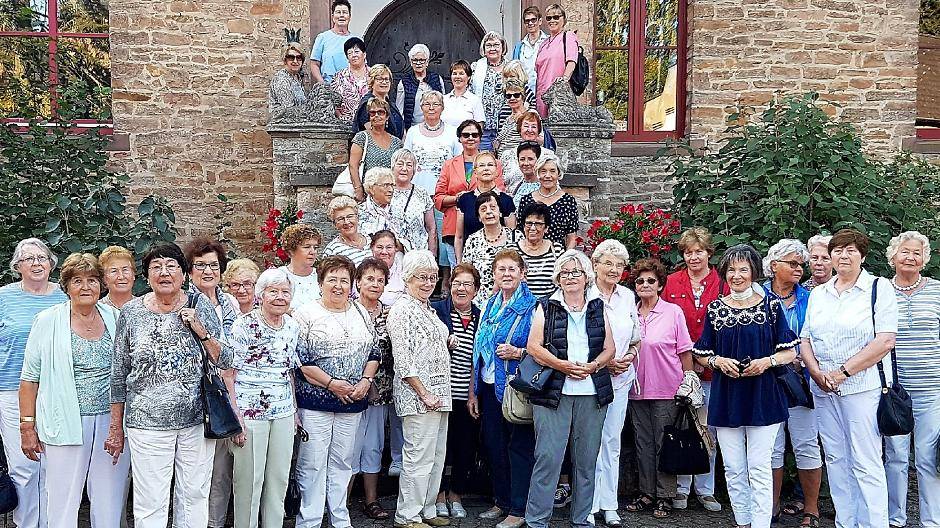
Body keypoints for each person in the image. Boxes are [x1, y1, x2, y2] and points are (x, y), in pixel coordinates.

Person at [107, 243, 231, 528]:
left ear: (184, 274)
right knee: (151, 500)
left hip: (197, 421)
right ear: (147, 277)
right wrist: (116, 427)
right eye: (156, 267)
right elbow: (119, 372)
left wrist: (200, 330)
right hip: (146, 423)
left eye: (171, 266)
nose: (164, 273)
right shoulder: (131, 312)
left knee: (194, 495)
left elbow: (226, 359)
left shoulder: (200, 305)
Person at [19, 253, 129, 528]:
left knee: (110, 501)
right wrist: (27, 428)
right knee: (62, 501)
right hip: (64, 422)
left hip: (112, 423)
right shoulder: (47, 320)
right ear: (66, 286)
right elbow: (29, 379)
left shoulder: (116, 317)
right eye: (77, 281)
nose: (86, 287)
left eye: (92, 280)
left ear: (101, 285)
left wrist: (120, 424)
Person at [693, 244, 799, 528]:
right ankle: (743, 521)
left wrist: (766, 361)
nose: (737, 275)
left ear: (753, 271)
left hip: (764, 394)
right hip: (727, 395)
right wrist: (717, 361)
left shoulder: (771, 306)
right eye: (731, 269)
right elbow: (700, 353)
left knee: (760, 467)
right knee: (734, 467)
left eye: (743, 269)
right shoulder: (715, 309)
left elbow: (790, 351)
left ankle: (761, 524)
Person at [799, 229, 897, 528]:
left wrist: (842, 373)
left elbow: (884, 342)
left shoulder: (879, 288)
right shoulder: (819, 293)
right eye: (838, 250)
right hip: (824, 389)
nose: (843, 255)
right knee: (837, 460)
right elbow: (805, 339)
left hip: (862, 388)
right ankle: (846, 522)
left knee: (866, 462)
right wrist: (816, 372)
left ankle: (875, 523)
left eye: (851, 250)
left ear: (863, 255)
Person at [523, 249, 614, 528]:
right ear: (558, 278)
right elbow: (533, 347)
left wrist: (593, 365)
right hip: (554, 393)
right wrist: (562, 365)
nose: (571, 277)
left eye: (576, 272)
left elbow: (610, 348)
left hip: (592, 392)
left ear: (586, 276)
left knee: (586, 461)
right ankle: (537, 521)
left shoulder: (598, 306)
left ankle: (581, 520)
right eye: (565, 272)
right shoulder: (545, 306)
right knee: (548, 458)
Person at [293, 256, 380, 528]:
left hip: (353, 401)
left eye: (344, 280)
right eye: (332, 279)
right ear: (320, 283)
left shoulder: (360, 312)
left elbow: (374, 351)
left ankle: (340, 518)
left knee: (343, 462)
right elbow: (301, 361)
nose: (338, 286)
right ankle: (310, 520)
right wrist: (332, 384)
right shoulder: (305, 314)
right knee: (313, 463)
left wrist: (366, 380)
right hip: (316, 402)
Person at [0, 238, 68, 527]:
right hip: (11, 389)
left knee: (55, 466)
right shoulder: (3, 297)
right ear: (18, 267)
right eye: (29, 259)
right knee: (23, 466)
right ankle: (27, 524)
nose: (37, 263)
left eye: (42, 258)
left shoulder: (65, 297)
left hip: (55, 391)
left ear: (51, 264)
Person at [227, 268, 300, 528]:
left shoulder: (292, 326)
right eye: (273, 291)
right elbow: (228, 374)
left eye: (285, 292)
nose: (280, 297)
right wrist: (236, 418)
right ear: (261, 295)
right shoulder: (244, 325)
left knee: (278, 481)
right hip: (250, 414)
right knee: (248, 483)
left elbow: (288, 371)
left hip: (282, 411)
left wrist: (294, 413)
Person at [470, 250, 537, 528]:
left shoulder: (532, 307)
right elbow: (477, 349)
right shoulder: (488, 305)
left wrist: (518, 352)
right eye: (501, 270)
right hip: (488, 386)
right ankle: (502, 501)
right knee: (494, 446)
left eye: (512, 269)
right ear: (494, 275)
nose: (506, 274)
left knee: (518, 447)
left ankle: (519, 509)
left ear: (522, 273)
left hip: (515, 387)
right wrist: (473, 391)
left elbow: (540, 350)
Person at [661, 226, 725, 512]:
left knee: (707, 429)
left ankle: (706, 489)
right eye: (688, 252)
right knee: (684, 427)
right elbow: (665, 323)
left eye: (699, 251)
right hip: (680, 370)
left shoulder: (722, 283)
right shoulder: (672, 282)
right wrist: (689, 363)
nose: (694, 257)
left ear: (709, 253)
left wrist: (704, 360)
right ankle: (682, 488)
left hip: (713, 369)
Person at [387, 250, 452, 528]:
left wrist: (447, 343)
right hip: (418, 396)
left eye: (432, 278)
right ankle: (407, 515)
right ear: (407, 278)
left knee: (436, 455)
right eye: (421, 278)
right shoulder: (403, 309)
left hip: (440, 392)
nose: (428, 283)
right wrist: (423, 392)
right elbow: (403, 361)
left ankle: (426, 509)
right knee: (417, 457)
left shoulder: (427, 308)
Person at [624, 258, 693, 519]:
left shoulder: (673, 312)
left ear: (660, 284)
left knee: (665, 444)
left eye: (651, 280)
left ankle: (665, 495)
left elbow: (684, 351)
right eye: (640, 281)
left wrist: (689, 381)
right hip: (636, 389)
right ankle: (646, 492)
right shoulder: (628, 311)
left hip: (667, 387)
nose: (645, 284)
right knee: (642, 443)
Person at [761, 240, 822, 527]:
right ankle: (769, 507)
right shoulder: (755, 296)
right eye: (793, 263)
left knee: (806, 443)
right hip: (765, 381)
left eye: (801, 264)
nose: (799, 268)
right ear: (774, 266)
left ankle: (811, 508)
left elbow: (821, 336)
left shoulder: (812, 298)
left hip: (802, 381)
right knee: (770, 446)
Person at [884, 231, 940, 528]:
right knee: (895, 457)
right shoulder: (881, 292)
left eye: (917, 253)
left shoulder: (937, 291)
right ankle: (895, 519)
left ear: (924, 259)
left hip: (932, 387)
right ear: (893, 256)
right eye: (905, 251)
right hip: (894, 390)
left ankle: (932, 521)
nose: (910, 257)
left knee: (929, 459)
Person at [184, 237, 240, 528]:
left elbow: (236, 344)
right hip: (202, 392)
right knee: (199, 468)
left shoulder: (229, 301)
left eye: (213, 265)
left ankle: (215, 522)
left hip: (231, 387)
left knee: (222, 469)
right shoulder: (188, 301)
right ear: (190, 271)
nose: (208, 271)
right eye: (200, 266)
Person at [589, 241, 639, 527]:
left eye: (619, 265)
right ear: (595, 265)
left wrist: (629, 357)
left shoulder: (627, 296)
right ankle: (589, 503)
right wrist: (604, 362)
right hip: (591, 378)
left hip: (620, 379)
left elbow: (636, 336)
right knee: (589, 442)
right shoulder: (585, 295)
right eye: (608, 263)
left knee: (612, 441)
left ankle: (609, 504)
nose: (614, 269)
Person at [432, 263, 481, 520]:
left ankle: (456, 495)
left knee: (464, 447)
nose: (461, 289)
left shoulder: (481, 316)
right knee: (442, 448)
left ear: (476, 290)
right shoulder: (437, 311)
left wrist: (473, 393)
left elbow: (479, 358)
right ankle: (438, 495)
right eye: (457, 283)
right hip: (441, 393)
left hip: (467, 394)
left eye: (468, 285)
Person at [349, 258, 394, 521]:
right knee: (349, 447)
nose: (375, 284)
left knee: (374, 446)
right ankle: (340, 502)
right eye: (369, 279)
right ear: (358, 281)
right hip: (352, 389)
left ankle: (371, 500)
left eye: (380, 280)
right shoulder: (348, 310)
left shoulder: (390, 313)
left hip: (382, 390)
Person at [435, 119, 506, 269]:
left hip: (485, 225)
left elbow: (499, 192)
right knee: (460, 271)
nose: (470, 138)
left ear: (480, 137)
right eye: (466, 135)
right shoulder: (449, 165)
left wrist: (473, 197)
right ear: (459, 138)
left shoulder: (494, 164)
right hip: (455, 226)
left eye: (474, 134)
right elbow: (438, 198)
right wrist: (457, 198)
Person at [460, 192, 521, 306]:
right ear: (478, 217)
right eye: (483, 209)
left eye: (493, 207)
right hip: (480, 304)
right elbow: (466, 273)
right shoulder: (473, 241)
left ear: (500, 212)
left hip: (512, 304)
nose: (488, 212)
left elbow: (523, 270)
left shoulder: (516, 237)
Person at [455, 151, 517, 253]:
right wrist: (459, 263)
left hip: (501, 257)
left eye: (490, 165)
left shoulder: (506, 200)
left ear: (497, 171)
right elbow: (459, 237)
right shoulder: (464, 199)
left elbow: (512, 235)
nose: (486, 168)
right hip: (471, 255)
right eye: (482, 165)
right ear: (475, 172)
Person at [404, 91, 461, 195]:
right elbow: (406, 161)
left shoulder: (453, 132)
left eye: (436, 104)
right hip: (417, 191)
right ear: (421, 108)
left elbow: (459, 162)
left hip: (445, 191)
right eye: (427, 104)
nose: (431, 108)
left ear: (442, 108)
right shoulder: (412, 132)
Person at [348, 97, 405, 201]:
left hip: (391, 194)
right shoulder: (362, 137)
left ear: (387, 116)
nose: (376, 116)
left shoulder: (397, 143)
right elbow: (353, 165)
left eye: (380, 112)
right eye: (372, 113)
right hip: (369, 193)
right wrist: (358, 189)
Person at [517, 153, 578, 249]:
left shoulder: (568, 201)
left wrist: (565, 259)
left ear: (558, 174)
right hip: (529, 253)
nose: (547, 175)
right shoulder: (526, 200)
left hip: (557, 255)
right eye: (543, 171)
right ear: (537, 174)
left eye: (552, 171)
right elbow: (520, 232)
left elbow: (571, 237)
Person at [389, 148, 438, 255]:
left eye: (409, 165)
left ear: (414, 170)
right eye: (400, 164)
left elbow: (431, 228)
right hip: (391, 253)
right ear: (392, 167)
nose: (404, 168)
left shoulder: (422, 193)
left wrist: (431, 256)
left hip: (418, 253)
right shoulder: (385, 191)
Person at [534, 4, 578, 117]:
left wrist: (563, 80)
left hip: (558, 96)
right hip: (541, 94)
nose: (552, 20)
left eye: (556, 17)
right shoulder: (543, 44)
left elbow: (572, 61)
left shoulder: (568, 36)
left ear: (563, 19)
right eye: (549, 18)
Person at [514, 202, 564, 299]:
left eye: (538, 224)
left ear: (546, 228)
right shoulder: (512, 251)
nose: (532, 228)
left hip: (548, 308)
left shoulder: (556, 250)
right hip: (519, 309)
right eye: (529, 223)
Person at [470, 31, 509, 151]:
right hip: (484, 127)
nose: (492, 48)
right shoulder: (476, 68)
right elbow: (470, 94)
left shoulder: (512, 67)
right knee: (485, 162)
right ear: (484, 49)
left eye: (496, 45)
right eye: (489, 45)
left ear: (503, 48)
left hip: (506, 127)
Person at [396, 44, 446, 131]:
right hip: (413, 128)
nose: (418, 63)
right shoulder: (404, 82)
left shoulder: (436, 79)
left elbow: (443, 104)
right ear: (411, 62)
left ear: (427, 62)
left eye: (422, 60)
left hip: (436, 127)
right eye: (415, 60)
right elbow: (400, 110)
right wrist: (403, 131)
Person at [310, 0, 358, 85]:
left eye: (345, 12)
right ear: (333, 16)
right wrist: (321, 82)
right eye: (338, 12)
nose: (341, 15)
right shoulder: (322, 38)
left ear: (350, 17)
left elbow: (362, 65)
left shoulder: (357, 40)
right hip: (329, 87)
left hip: (352, 89)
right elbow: (314, 64)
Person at [279, 223, 323, 311]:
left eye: (315, 247)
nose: (313, 252)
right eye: (307, 247)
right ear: (291, 251)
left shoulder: (322, 276)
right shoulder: (279, 275)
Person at [353, 65, 405, 139]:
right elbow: (373, 135)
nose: (384, 82)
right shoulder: (367, 104)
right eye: (380, 79)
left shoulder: (390, 103)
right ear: (372, 81)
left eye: (387, 79)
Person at [323, 196, 373, 265]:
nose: (346, 222)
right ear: (334, 224)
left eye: (350, 216)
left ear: (357, 218)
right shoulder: (332, 250)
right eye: (340, 219)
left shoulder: (370, 239)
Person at [268, 42, 311, 121]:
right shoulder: (281, 79)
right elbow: (289, 109)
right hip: (283, 124)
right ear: (285, 60)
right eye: (291, 57)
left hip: (297, 122)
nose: (295, 61)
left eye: (299, 58)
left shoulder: (298, 77)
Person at [331, 37, 370, 122]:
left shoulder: (374, 75)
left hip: (371, 124)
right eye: (350, 53)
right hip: (345, 125)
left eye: (356, 51)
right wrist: (341, 117)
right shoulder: (339, 77)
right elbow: (333, 102)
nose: (353, 55)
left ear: (364, 54)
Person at [512, 5, 548, 93]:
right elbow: (514, 70)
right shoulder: (519, 46)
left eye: (533, 20)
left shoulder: (549, 42)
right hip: (525, 92)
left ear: (540, 21)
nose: (530, 23)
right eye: (527, 21)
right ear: (524, 24)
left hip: (545, 90)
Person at [358, 167, 399, 240]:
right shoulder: (358, 213)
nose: (391, 190)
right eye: (386, 185)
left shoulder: (398, 211)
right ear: (371, 189)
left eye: (392, 185)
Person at [442, 60, 485, 128]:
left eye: (461, 73)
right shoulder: (443, 99)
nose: (457, 77)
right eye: (454, 73)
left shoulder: (475, 100)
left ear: (468, 77)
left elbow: (480, 127)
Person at [371, 230, 406, 306]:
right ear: (372, 248)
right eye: (379, 247)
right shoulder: (365, 268)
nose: (384, 252)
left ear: (395, 249)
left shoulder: (403, 263)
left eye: (389, 247)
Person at [509, 141, 542, 205]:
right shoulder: (518, 185)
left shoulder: (545, 186)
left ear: (538, 160)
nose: (526, 163)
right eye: (522, 159)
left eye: (530, 159)